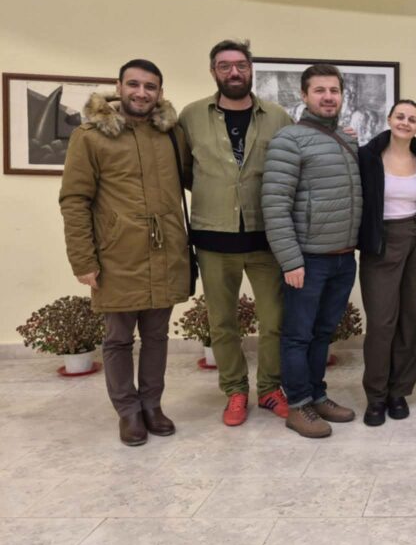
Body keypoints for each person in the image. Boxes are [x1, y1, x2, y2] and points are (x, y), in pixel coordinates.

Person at [59, 59, 189, 446]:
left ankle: (152, 405)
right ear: (119, 87)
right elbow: (74, 200)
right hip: (117, 255)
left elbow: (194, 178)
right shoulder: (90, 136)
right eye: (134, 84)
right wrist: (83, 260)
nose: (141, 93)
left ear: (160, 92)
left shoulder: (171, 134)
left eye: (150, 86)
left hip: (165, 251)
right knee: (117, 339)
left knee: (157, 336)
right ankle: (128, 411)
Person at [178, 39, 294, 427]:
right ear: (213, 71)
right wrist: (221, 194)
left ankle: (270, 388)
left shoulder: (278, 117)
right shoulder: (191, 116)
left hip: (267, 238)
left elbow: (292, 169)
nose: (234, 72)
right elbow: (184, 172)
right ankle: (235, 391)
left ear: (251, 69)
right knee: (222, 323)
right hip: (213, 239)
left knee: (275, 320)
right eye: (225, 65)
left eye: (241, 65)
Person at [262, 64, 363, 438]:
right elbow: (275, 204)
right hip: (308, 259)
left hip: (343, 257)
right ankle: (298, 405)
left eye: (334, 90)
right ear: (304, 95)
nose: (328, 97)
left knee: (322, 333)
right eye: (319, 90)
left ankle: (317, 395)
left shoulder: (346, 139)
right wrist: (291, 260)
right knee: (298, 335)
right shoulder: (289, 140)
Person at [357, 100, 416, 425]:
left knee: (414, 318)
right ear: (390, 119)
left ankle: (399, 391)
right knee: (382, 322)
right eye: (401, 116)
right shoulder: (367, 156)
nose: (405, 122)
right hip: (381, 241)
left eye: (412, 119)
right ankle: (376, 396)